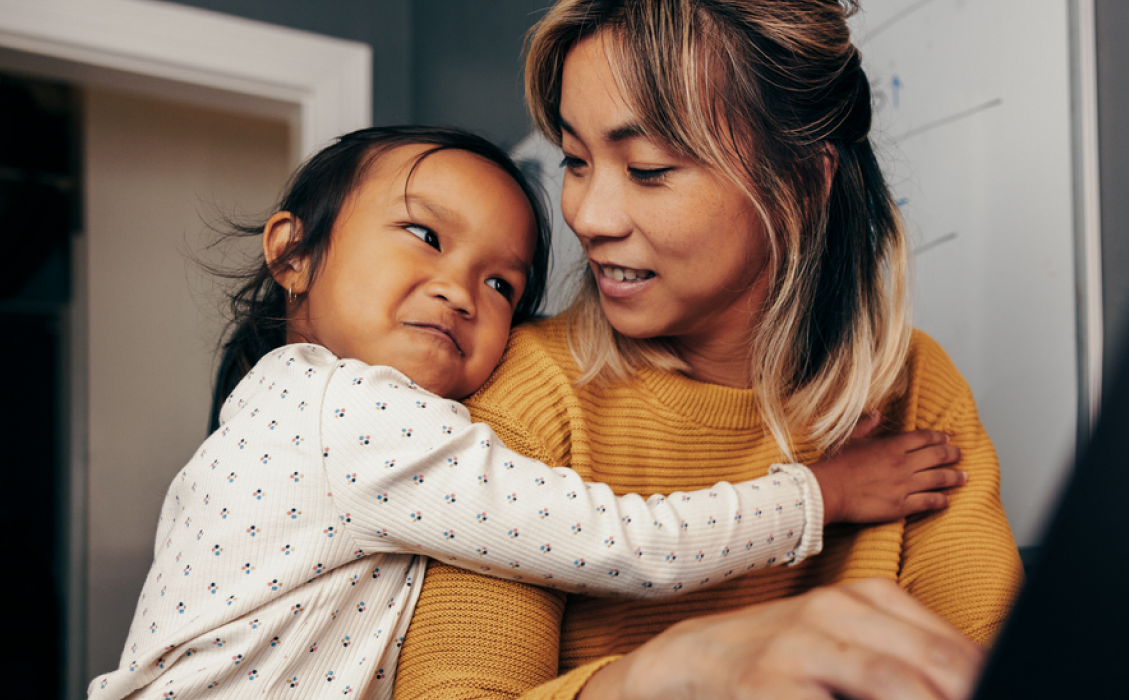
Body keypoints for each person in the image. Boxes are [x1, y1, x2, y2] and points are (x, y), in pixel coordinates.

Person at [88, 126, 966, 700]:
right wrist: (819, 495)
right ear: (293, 253)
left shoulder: (282, 408)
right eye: (425, 235)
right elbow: (621, 542)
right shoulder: (346, 410)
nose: (459, 290)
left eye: (501, 282)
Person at [393, 2, 1025, 699]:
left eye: (648, 168)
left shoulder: (913, 385)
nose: (587, 217)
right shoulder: (528, 396)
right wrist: (673, 673)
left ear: (804, 183)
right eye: (575, 160)